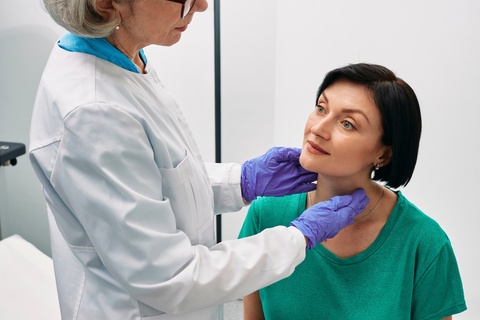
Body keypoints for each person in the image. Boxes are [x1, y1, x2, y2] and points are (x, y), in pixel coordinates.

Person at [28, 1, 370, 319]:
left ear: (384, 152)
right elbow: (168, 276)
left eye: (348, 122)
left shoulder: (124, 57)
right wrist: (298, 238)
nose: (203, 5)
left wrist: (241, 181)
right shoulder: (93, 109)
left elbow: (151, 178)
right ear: (107, 3)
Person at [239, 63, 467, 320]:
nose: (318, 128)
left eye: (347, 124)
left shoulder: (423, 243)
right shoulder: (265, 215)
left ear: (384, 153)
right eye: (321, 108)